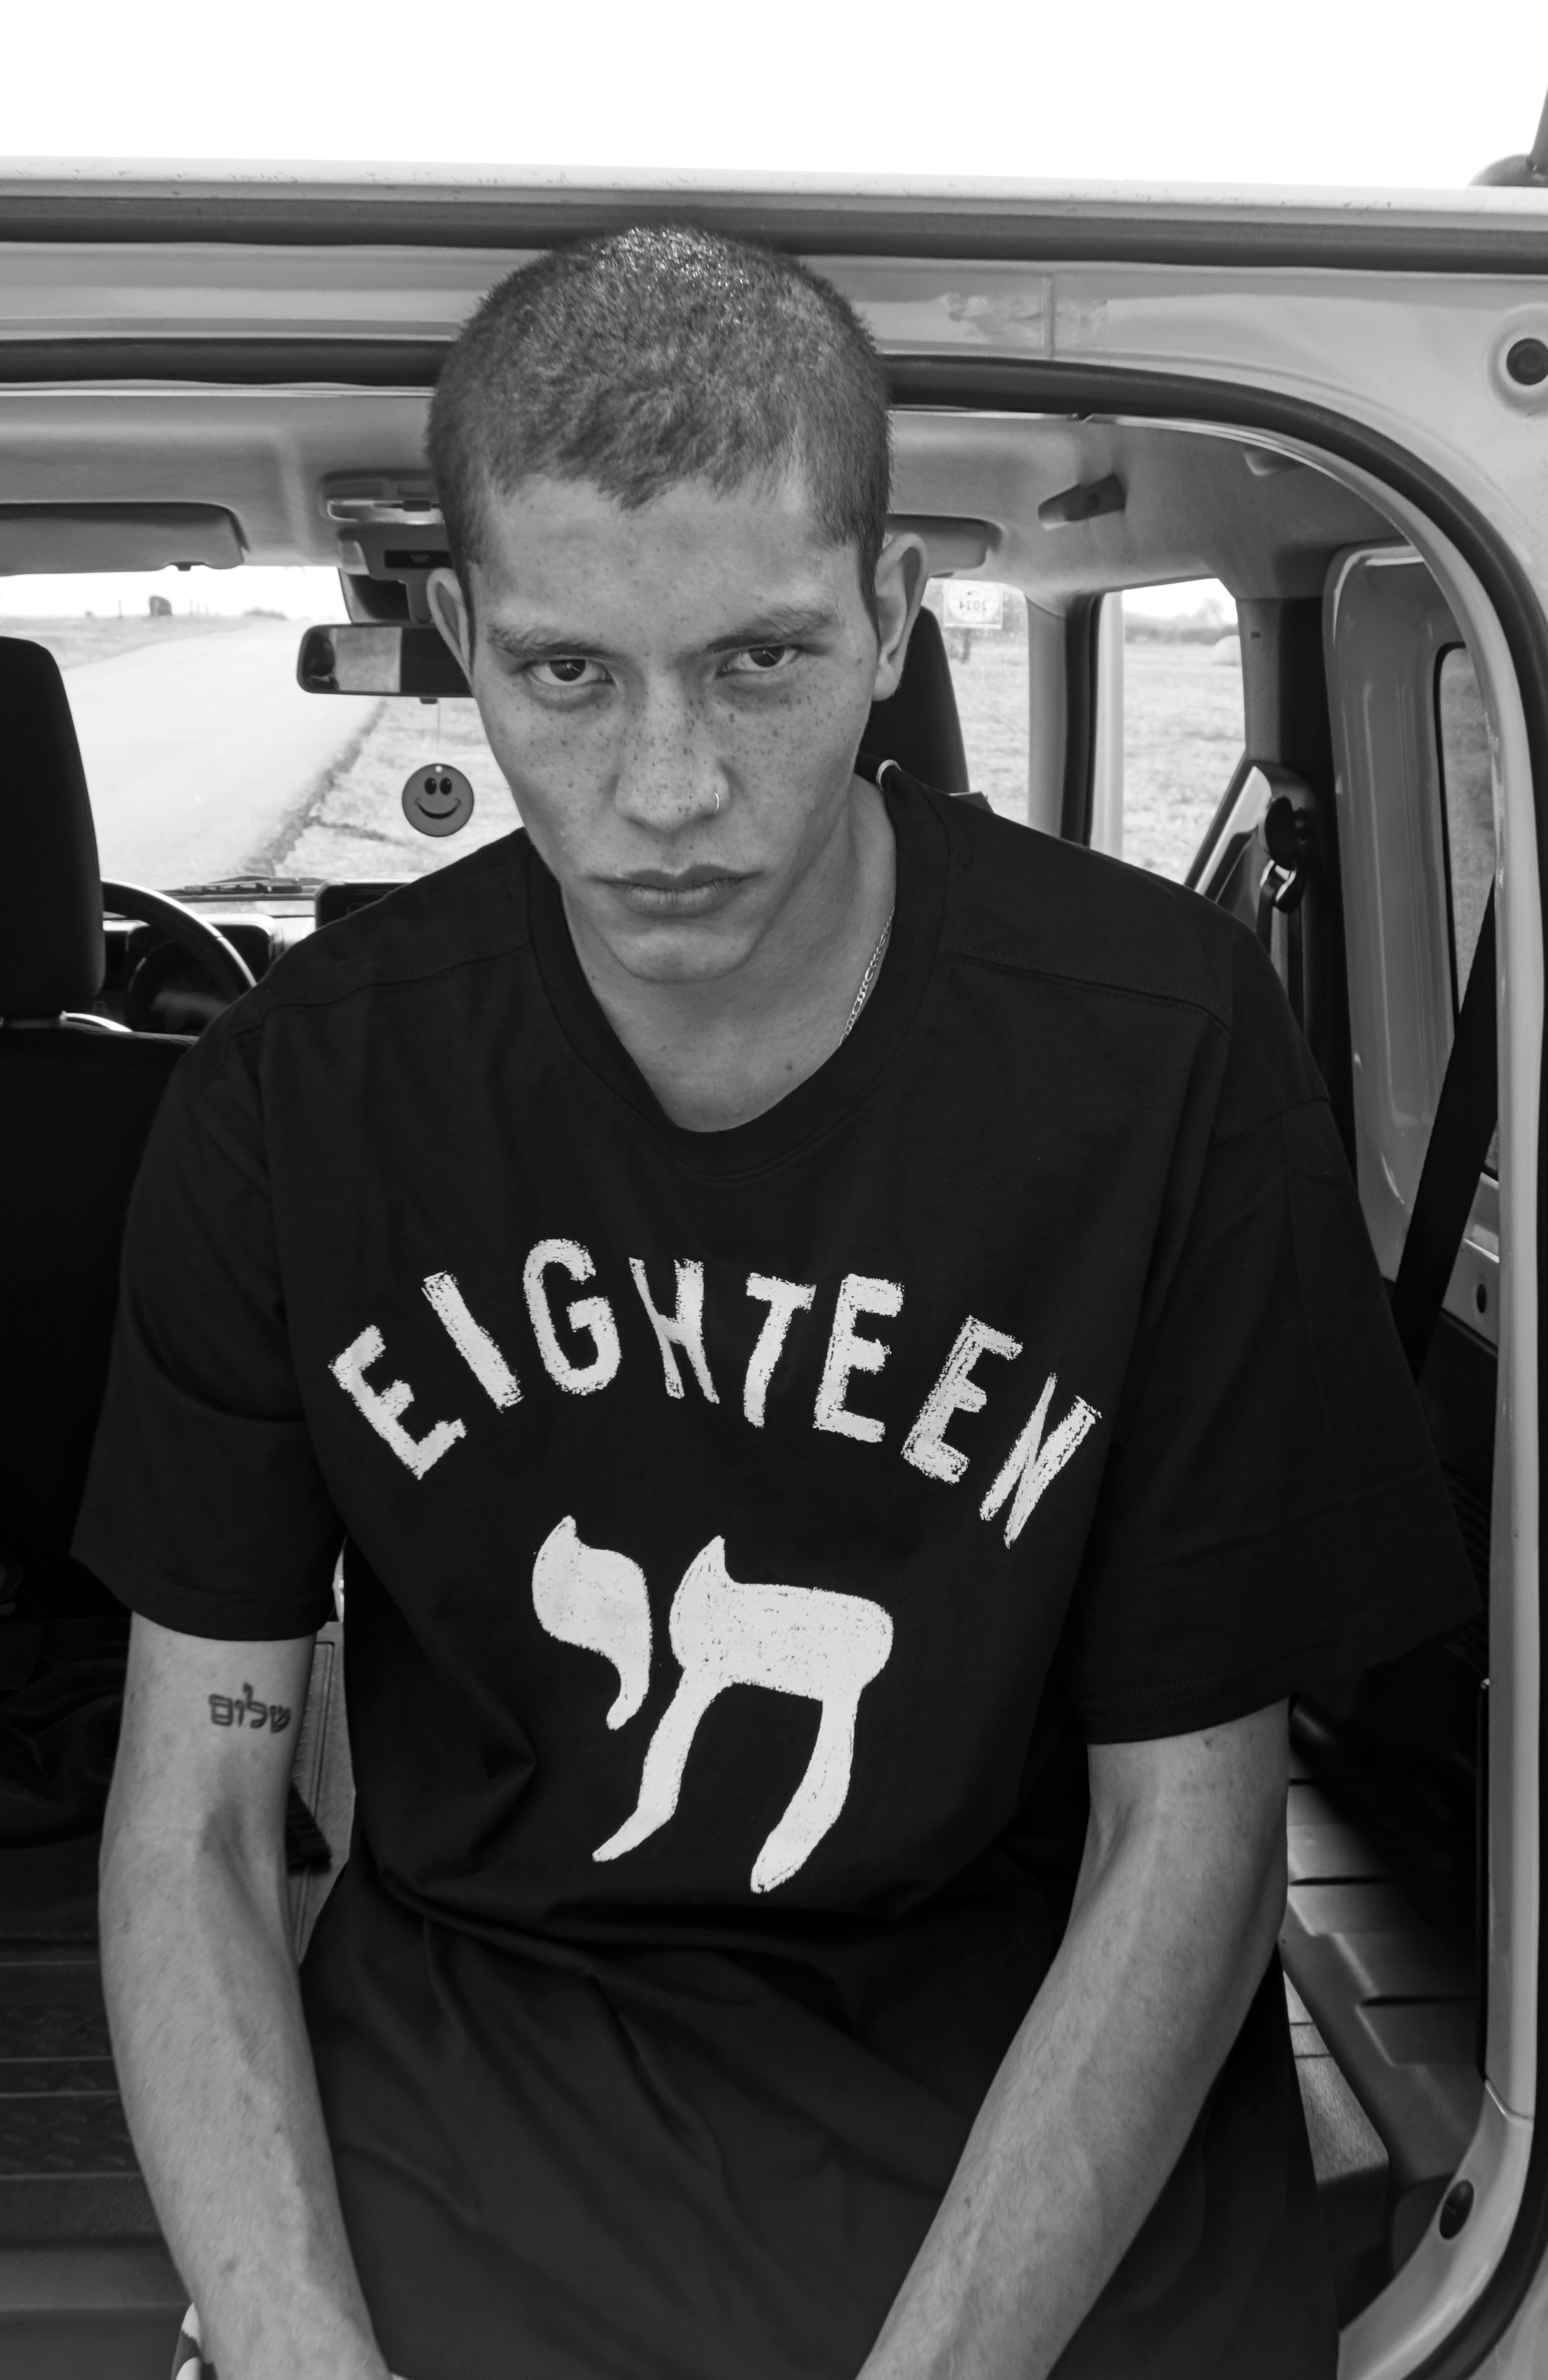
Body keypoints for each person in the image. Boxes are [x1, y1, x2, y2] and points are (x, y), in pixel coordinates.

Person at [82, 227, 1476, 2380]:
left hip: (1036, 2118)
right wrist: (293, 2353)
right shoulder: (298, 1095)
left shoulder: (1158, 1054)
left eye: (760, 662)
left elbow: (1191, 1833)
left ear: (893, 617)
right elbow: (194, 1812)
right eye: (567, 673)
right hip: (480, 2110)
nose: (668, 791)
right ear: (459, 642)